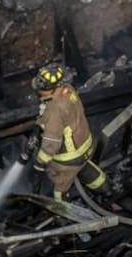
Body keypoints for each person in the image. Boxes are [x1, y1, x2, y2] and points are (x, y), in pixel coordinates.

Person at [25, 63, 107, 201]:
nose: (39, 92)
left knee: (61, 182)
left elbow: (51, 143)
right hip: (85, 145)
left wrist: (40, 161)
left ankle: (62, 211)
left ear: (51, 89)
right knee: (84, 168)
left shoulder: (55, 110)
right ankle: (105, 188)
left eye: (42, 89)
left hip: (68, 159)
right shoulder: (67, 90)